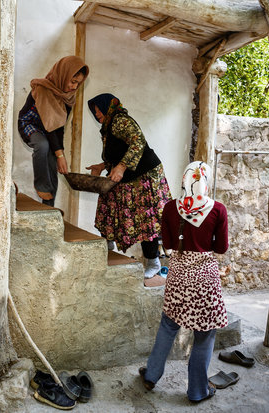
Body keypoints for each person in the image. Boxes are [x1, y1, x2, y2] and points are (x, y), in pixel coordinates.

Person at [139, 161, 229, 403]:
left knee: (168, 325)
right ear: (206, 183)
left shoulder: (170, 208)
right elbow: (221, 247)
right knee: (205, 333)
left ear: (184, 180)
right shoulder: (218, 210)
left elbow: (167, 244)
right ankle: (198, 391)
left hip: (178, 275)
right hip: (205, 279)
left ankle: (151, 375)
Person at [85, 93, 171, 279]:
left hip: (145, 175)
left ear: (108, 106)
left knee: (145, 218)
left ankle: (153, 262)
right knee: (108, 202)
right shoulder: (108, 127)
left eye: (98, 109)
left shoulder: (120, 121)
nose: (96, 113)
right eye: (94, 111)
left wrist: (122, 167)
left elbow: (138, 142)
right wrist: (102, 166)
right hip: (128, 175)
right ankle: (107, 246)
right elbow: (117, 152)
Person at [17, 56, 89, 206]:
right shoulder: (44, 89)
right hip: (30, 124)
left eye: (78, 83)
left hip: (49, 129)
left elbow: (58, 127)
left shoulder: (68, 97)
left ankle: (48, 206)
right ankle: (41, 186)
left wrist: (59, 153)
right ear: (63, 75)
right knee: (43, 146)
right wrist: (60, 154)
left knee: (52, 160)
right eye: (73, 81)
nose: (75, 87)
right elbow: (49, 125)